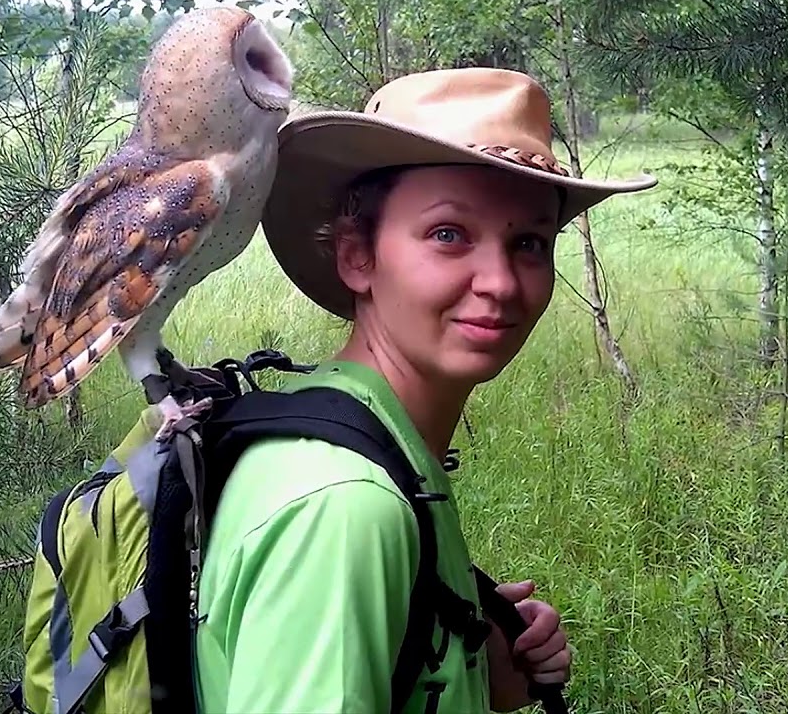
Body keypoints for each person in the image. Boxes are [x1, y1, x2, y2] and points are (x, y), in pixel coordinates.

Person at [191, 67, 658, 713]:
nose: (499, 280)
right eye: (448, 234)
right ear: (358, 254)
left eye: (528, 242)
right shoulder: (345, 509)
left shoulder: (364, 434)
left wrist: (470, 672)